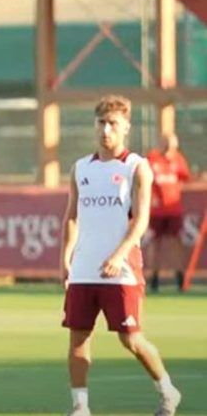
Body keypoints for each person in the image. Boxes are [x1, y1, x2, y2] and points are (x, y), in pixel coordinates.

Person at [60, 95, 181, 416]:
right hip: (85, 267)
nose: (106, 130)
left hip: (122, 269)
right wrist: (66, 257)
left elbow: (140, 220)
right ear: (94, 125)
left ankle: (168, 391)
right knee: (78, 339)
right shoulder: (80, 168)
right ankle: (80, 407)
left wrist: (119, 254)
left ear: (126, 127)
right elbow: (71, 216)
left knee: (131, 340)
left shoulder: (136, 167)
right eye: (101, 123)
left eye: (113, 124)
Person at [146, 133, 191, 292]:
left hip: (173, 210)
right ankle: (154, 277)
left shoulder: (178, 159)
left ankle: (179, 276)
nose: (169, 148)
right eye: (166, 144)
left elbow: (186, 177)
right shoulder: (152, 159)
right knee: (155, 244)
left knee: (175, 243)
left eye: (172, 145)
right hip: (156, 211)